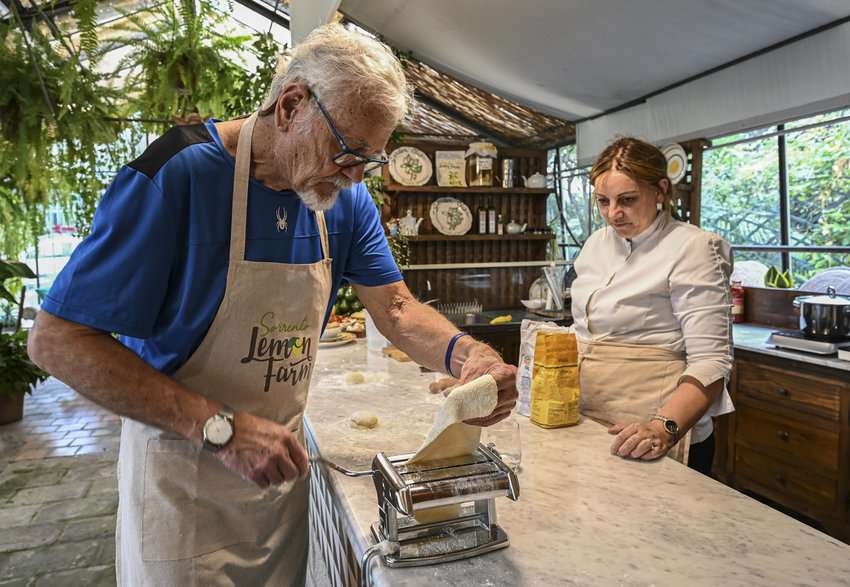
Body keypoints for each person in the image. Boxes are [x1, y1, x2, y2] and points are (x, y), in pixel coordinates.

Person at [27, 24, 517, 586]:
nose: (357, 176)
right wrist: (221, 429)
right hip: (185, 482)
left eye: (370, 161)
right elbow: (57, 340)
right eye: (348, 153)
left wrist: (467, 356)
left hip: (277, 488)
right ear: (290, 106)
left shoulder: (342, 199)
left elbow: (398, 309)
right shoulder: (175, 178)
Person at [570, 137, 734, 475]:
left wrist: (662, 430)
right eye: (603, 201)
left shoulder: (694, 247)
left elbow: (712, 362)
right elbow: (584, 331)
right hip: (591, 421)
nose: (613, 213)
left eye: (627, 200)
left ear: (660, 190)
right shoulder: (595, 245)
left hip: (655, 431)